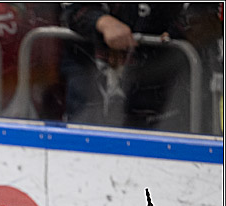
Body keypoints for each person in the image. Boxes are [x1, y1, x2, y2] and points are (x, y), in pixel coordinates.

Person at [60, 3, 190, 131]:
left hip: (153, 80)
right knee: (83, 132)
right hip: (89, 76)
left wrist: (175, 30)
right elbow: (70, 12)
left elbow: (191, 18)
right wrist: (101, 21)